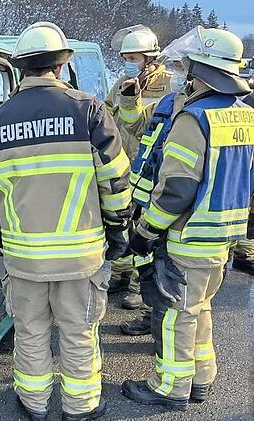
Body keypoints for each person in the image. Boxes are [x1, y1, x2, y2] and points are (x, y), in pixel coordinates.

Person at [0, 21, 131, 420]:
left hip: (23, 257)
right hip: (80, 256)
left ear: (20, 68)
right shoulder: (89, 111)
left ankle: (34, 403)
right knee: (79, 332)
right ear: (60, 66)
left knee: (30, 331)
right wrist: (118, 229)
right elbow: (116, 182)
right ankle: (80, 407)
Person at [122, 27, 253, 409]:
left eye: (189, 67)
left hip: (187, 236)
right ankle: (201, 378)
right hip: (221, 236)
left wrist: (147, 230)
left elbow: (177, 188)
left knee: (175, 315)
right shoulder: (244, 115)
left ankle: (169, 387)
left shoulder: (193, 119)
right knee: (199, 308)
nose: (184, 73)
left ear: (201, 70)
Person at [121, 39, 193, 336]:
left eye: (180, 68)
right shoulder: (168, 102)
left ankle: (162, 322)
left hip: (173, 199)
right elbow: (137, 126)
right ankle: (152, 314)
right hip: (148, 190)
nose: (176, 75)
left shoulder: (198, 111)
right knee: (148, 256)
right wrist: (129, 99)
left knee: (170, 269)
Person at [105, 25, 173, 311]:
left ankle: (137, 286)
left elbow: (148, 125)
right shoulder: (122, 82)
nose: (128, 64)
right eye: (126, 58)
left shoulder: (168, 84)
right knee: (123, 220)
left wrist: (132, 99)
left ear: (149, 58)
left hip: (151, 167)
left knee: (145, 226)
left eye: (133, 58)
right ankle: (119, 273)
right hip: (124, 163)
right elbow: (107, 112)